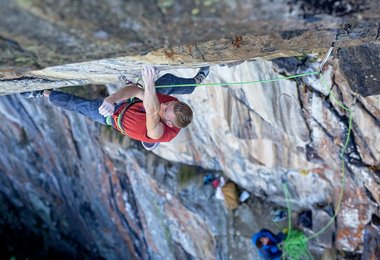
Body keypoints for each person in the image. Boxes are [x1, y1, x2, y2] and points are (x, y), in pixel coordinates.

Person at [20, 66, 210, 150]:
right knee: (166, 82)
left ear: (168, 122)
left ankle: (43, 93)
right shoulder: (168, 104)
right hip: (124, 106)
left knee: (78, 105)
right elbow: (136, 90)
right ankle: (194, 82)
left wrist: (149, 83)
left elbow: (152, 112)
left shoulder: (161, 131)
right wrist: (111, 100)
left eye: (167, 108)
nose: (166, 103)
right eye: (170, 103)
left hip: (113, 119)